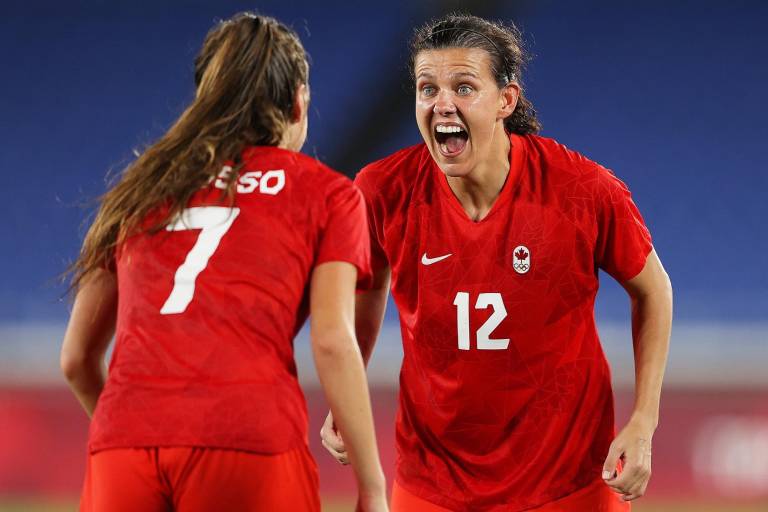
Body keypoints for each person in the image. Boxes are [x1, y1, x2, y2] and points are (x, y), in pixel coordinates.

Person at [321, 13, 672, 512]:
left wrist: (644, 421)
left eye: (464, 87)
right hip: (433, 480)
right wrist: (345, 387)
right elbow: (367, 285)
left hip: (567, 480)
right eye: (428, 88)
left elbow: (653, 290)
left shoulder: (581, 190)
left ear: (506, 100)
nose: (443, 103)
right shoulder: (381, 190)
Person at [60, 12, 387, 512]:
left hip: (122, 444)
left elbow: (77, 360)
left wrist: (133, 430)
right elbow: (331, 339)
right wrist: (372, 487)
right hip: (246, 437)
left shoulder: (139, 190)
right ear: (299, 102)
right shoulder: (327, 194)